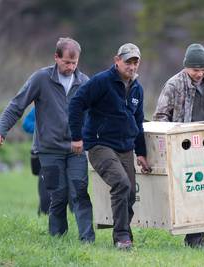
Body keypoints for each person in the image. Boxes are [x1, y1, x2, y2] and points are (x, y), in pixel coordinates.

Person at [0, 37, 95, 243]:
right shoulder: (41, 79)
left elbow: (97, 114)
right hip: (49, 150)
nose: (71, 67)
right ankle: (58, 239)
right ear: (56, 57)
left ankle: (87, 241)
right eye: (66, 62)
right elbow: (16, 105)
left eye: (74, 63)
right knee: (58, 196)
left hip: (77, 149)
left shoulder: (84, 82)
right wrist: (0, 131)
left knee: (80, 193)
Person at [68, 43, 151, 250]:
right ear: (117, 61)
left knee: (130, 192)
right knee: (121, 184)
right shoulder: (101, 81)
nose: (132, 66)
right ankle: (122, 237)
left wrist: (141, 152)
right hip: (99, 144)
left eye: (135, 62)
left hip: (125, 147)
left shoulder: (137, 89)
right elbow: (76, 103)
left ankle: (124, 233)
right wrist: (76, 137)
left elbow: (138, 121)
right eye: (128, 62)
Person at [153, 43, 204, 248]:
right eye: (195, 69)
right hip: (182, 147)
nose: (199, 74)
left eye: (203, 69)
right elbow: (160, 117)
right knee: (189, 193)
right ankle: (193, 237)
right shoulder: (173, 85)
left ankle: (199, 238)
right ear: (186, 66)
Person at [22, 107, 50, 216]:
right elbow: (26, 124)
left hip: (69, 152)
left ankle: (72, 217)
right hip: (43, 152)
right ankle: (43, 215)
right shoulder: (41, 106)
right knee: (45, 189)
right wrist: (42, 129)